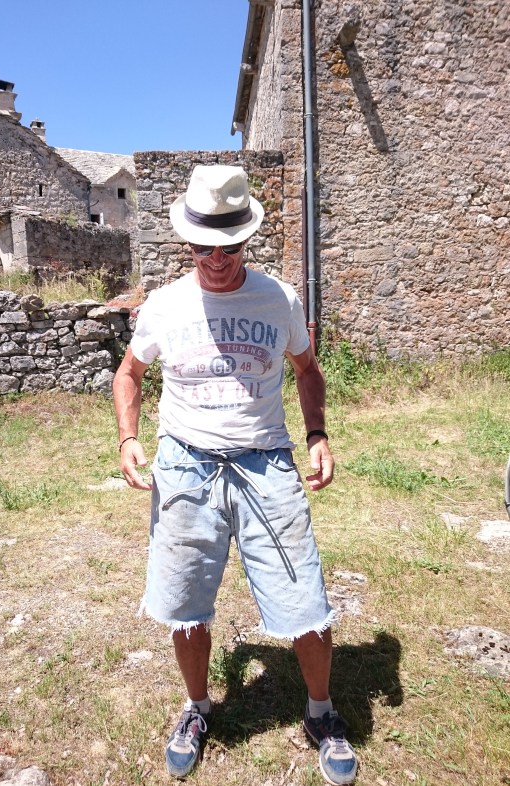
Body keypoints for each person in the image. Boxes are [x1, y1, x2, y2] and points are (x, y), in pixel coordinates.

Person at [112, 164, 358, 785]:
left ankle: (321, 713)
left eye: (228, 246)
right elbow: (129, 374)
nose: (216, 259)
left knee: (305, 598)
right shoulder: (165, 305)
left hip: (265, 464)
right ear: (187, 242)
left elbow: (307, 370)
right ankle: (196, 708)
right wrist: (128, 438)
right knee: (186, 601)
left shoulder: (279, 299)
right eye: (204, 247)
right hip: (186, 467)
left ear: (246, 240)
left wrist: (318, 434)